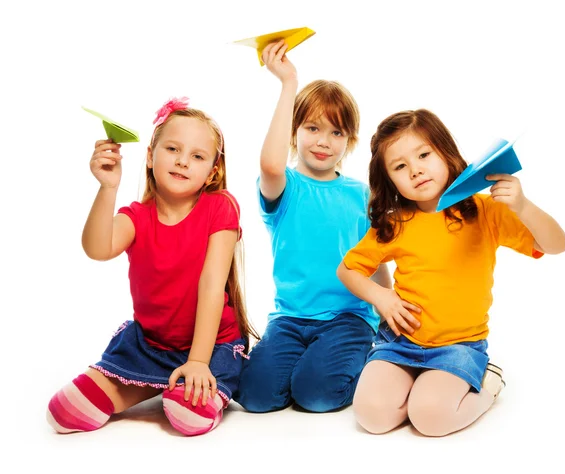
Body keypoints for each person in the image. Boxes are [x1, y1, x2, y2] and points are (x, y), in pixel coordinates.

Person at [337, 109, 565, 436]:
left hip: (458, 347)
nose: (415, 170)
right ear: (389, 180)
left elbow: (556, 245)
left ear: (445, 152)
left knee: (430, 418)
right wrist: (382, 297)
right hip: (400, 342)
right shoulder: (394, 222)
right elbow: (347, 270)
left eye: (424, 155)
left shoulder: (484, 210)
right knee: (371, 416)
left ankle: (486, 388)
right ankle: (420, 389)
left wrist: (523, 206)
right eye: (400, 166)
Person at [47, 97, 259, 436]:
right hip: (150, 346)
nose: (182, 162)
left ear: (212, 172)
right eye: (173, 149)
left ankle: (191, 384)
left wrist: (199, 362)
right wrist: (108, 187)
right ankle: (156, 382)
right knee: (63, 411)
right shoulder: (136, 217)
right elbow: (97, 248)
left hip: (210, 346)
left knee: (188, 418)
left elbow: (211, 286)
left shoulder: (221, 207)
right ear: (150, 155)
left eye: (197, 156)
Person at [236, 40, 392, 414]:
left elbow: (376, 257)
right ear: (294, 131)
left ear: (349, 141)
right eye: (312, 128)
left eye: (336, 133)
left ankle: (371, 360)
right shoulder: (284, 187)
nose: (323, 142)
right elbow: (271, 166)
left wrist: (388, 306)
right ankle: (308, 365)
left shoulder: (360, 194)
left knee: (316, 396)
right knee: (255, 398)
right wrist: (288, 82)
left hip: (348, 317)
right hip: (290, 318)